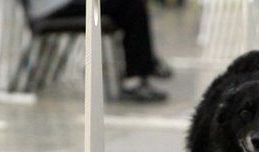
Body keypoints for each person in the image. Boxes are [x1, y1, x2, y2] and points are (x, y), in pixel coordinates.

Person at [28, 0, 172, 102]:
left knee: (129, 6)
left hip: (55, 6)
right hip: (53, 7)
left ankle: (145, 66)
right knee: (131, 4)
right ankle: (138, 76)